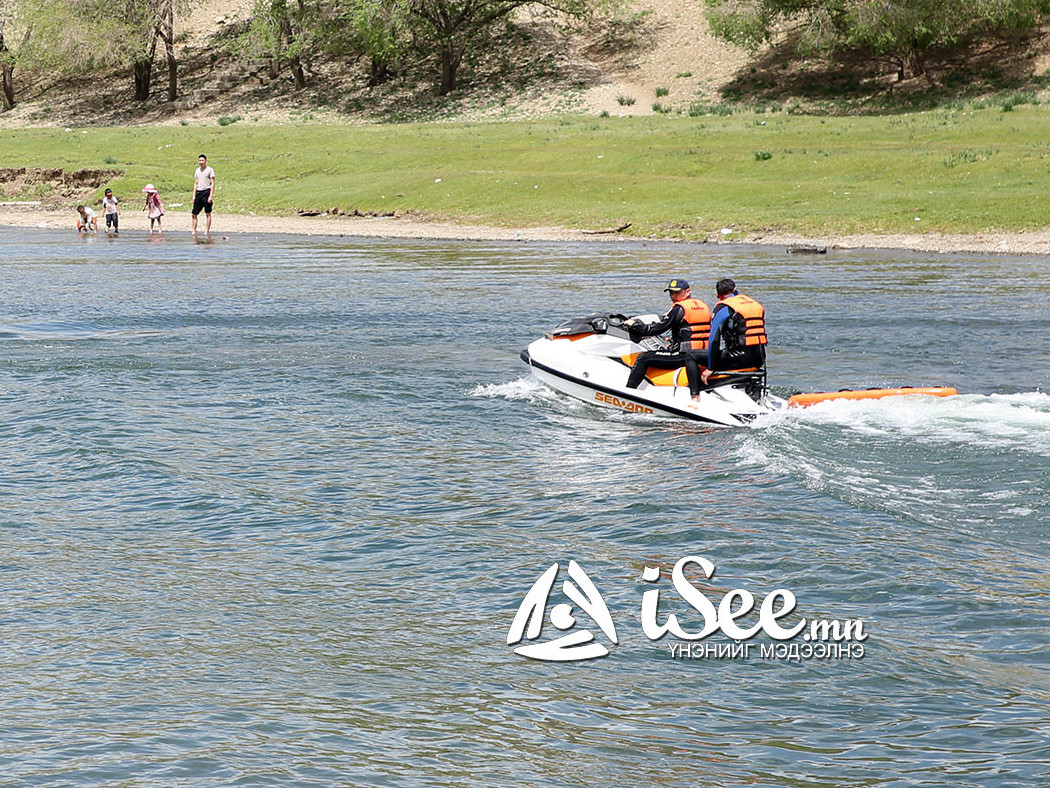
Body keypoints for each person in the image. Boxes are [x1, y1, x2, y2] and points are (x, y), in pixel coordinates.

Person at [624, 278, 711, 400]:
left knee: (644, 358)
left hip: (683, 355)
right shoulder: (702, 306)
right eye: (671, 292)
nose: (673, 296)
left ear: (687, 291)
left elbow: (654, 330)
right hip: (703, 354)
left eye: (676, 292)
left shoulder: (678, 309)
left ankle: (628, 394)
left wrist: (634, 324)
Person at [702, 278, 767, 384]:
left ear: (718, 295)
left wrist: (710, 367)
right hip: (759, 359)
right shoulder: (755, 305)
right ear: (735, 290)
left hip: (738, 359)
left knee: (691, 356)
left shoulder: (724, 307)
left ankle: (695, 394)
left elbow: (713, 340)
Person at [191, 154, 216, 235]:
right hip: (199, 192)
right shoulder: (197, 170)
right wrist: (194, 195)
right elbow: (196, 182)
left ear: (206, 161)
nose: (201, 162)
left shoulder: (210, 170)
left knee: (208, 213)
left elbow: (212, 183)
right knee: (194, 213)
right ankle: (194, 231)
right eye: (200, 160)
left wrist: (211, 195)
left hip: (206, 191)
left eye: (202, 160)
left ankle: (206, 231)